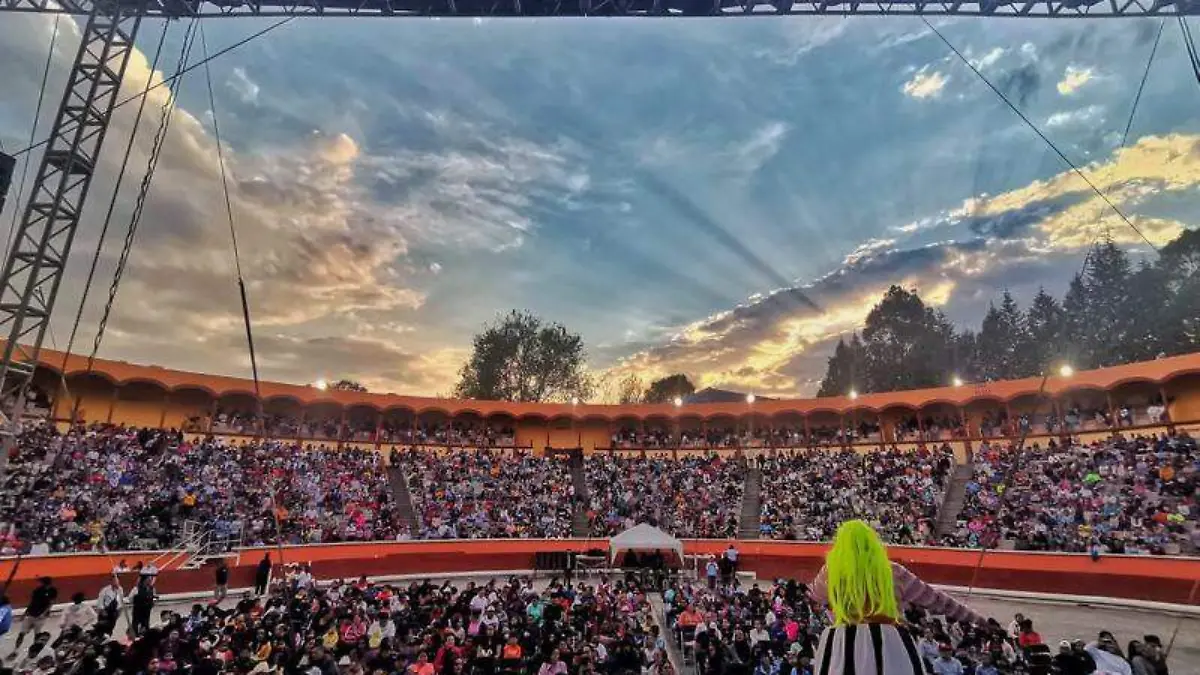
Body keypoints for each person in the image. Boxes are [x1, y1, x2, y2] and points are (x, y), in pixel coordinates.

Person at [809, 520, 988, 675]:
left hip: (843, 643)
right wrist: (979, 620)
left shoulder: (829, 573)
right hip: (890, 642)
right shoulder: (891, 571)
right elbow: (936, 600)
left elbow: (815, 596)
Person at [8, 576, 56, 658]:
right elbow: (32, 602)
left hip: (40, 617)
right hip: (31, 614)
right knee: (21, 633)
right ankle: (15, 650)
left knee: (37, 635)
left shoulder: (52, 591)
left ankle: (34, 652)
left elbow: (50, 603)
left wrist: (44, 613)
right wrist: (25, 613)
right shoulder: (37, 590)